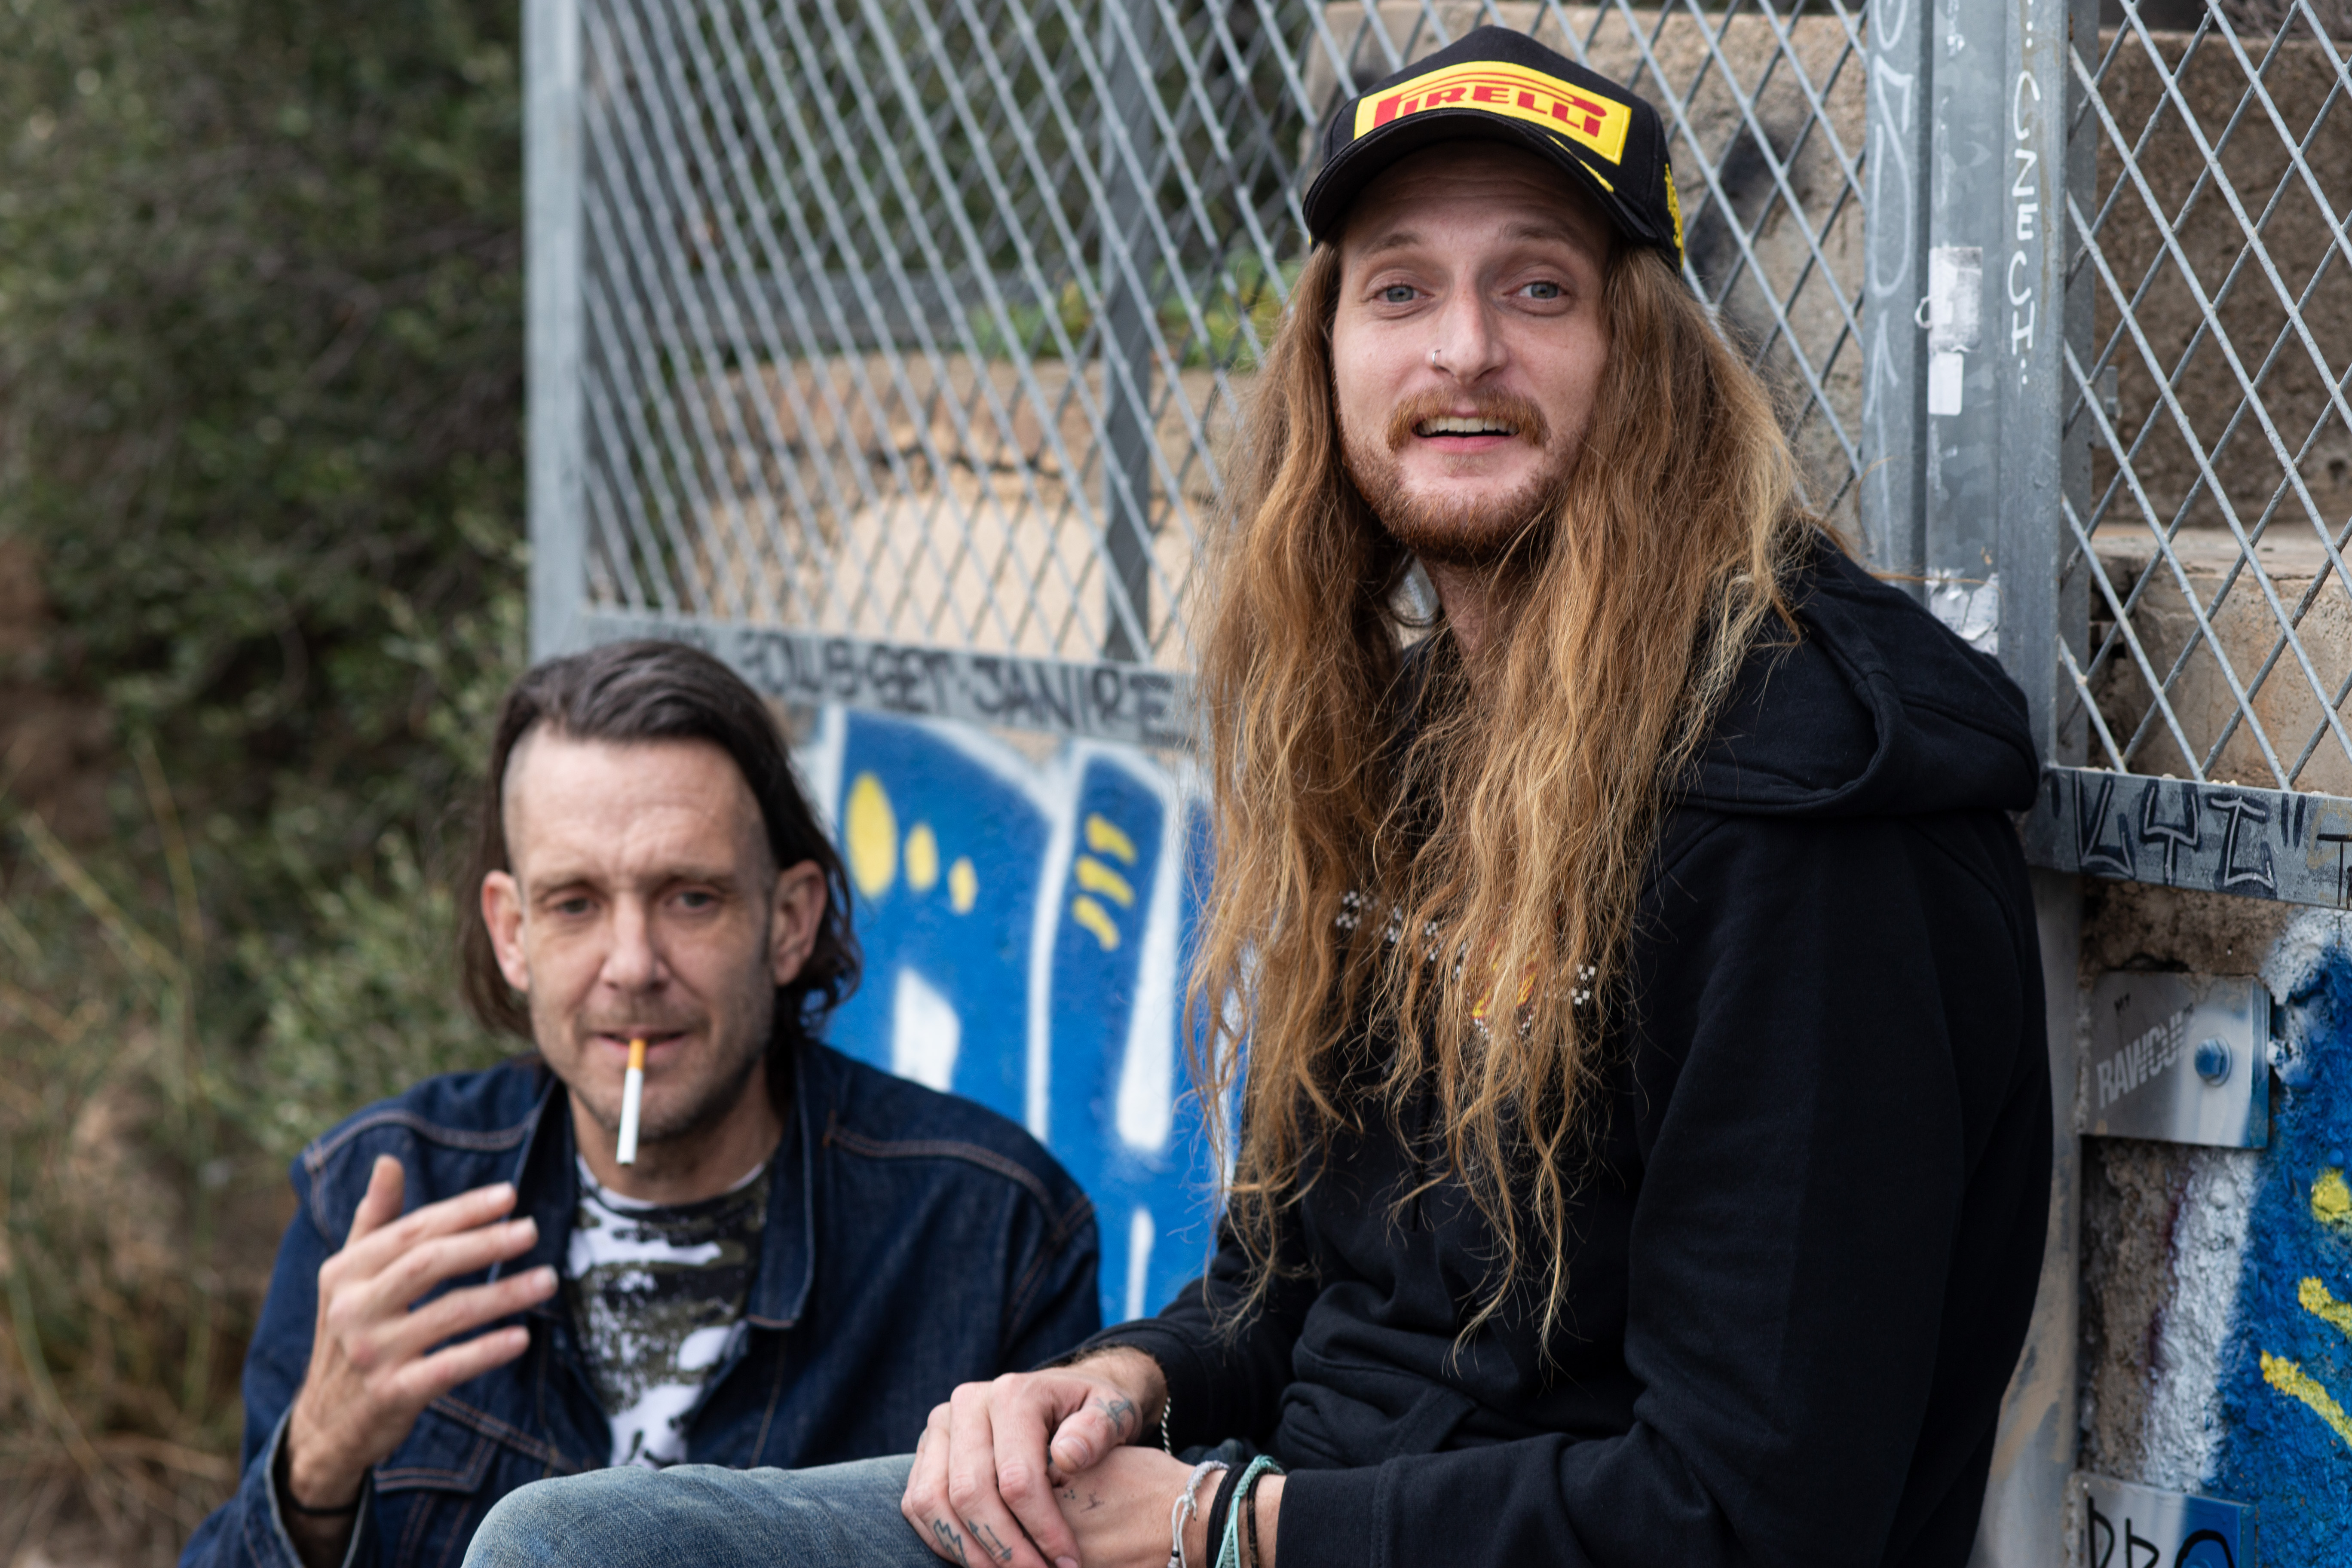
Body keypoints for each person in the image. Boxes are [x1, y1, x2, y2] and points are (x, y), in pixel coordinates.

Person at [462, 27, 2052, 1568]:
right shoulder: (1410, 736)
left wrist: (1218, 1526)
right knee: (581, 1539)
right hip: (1281, 1507)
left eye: (1538, 289)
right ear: (1329, 358)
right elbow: (1281, 1284)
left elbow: (1754, 1515)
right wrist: (1112, 1385)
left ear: (1648, 358)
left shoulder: (1805, 811)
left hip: (1323, 1530)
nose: (1463, 350)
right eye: (1400, 290)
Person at [181, 640, 1100, 1568]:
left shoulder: (989, 1229)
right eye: (575, 904)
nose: (631, 965)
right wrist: (317, 1465)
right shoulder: (379, 1197)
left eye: (691, 898)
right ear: (512, 932)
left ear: (788, 922)